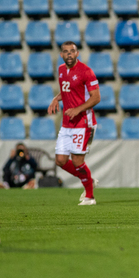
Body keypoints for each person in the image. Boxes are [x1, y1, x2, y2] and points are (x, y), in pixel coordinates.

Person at [48, 41, 100, 205]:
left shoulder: (86, 71)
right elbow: (67, 89)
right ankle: (89, 181)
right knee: (61, 160)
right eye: (65, 51)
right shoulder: (62, 70)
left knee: (77, 160)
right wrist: (56, 98)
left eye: (72, 51)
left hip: (83, 122)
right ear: (61, 55)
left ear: (77, 53)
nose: (69, 54)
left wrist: (78, 109)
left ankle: (90, 197)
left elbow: (96, 97)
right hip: (67, 122)